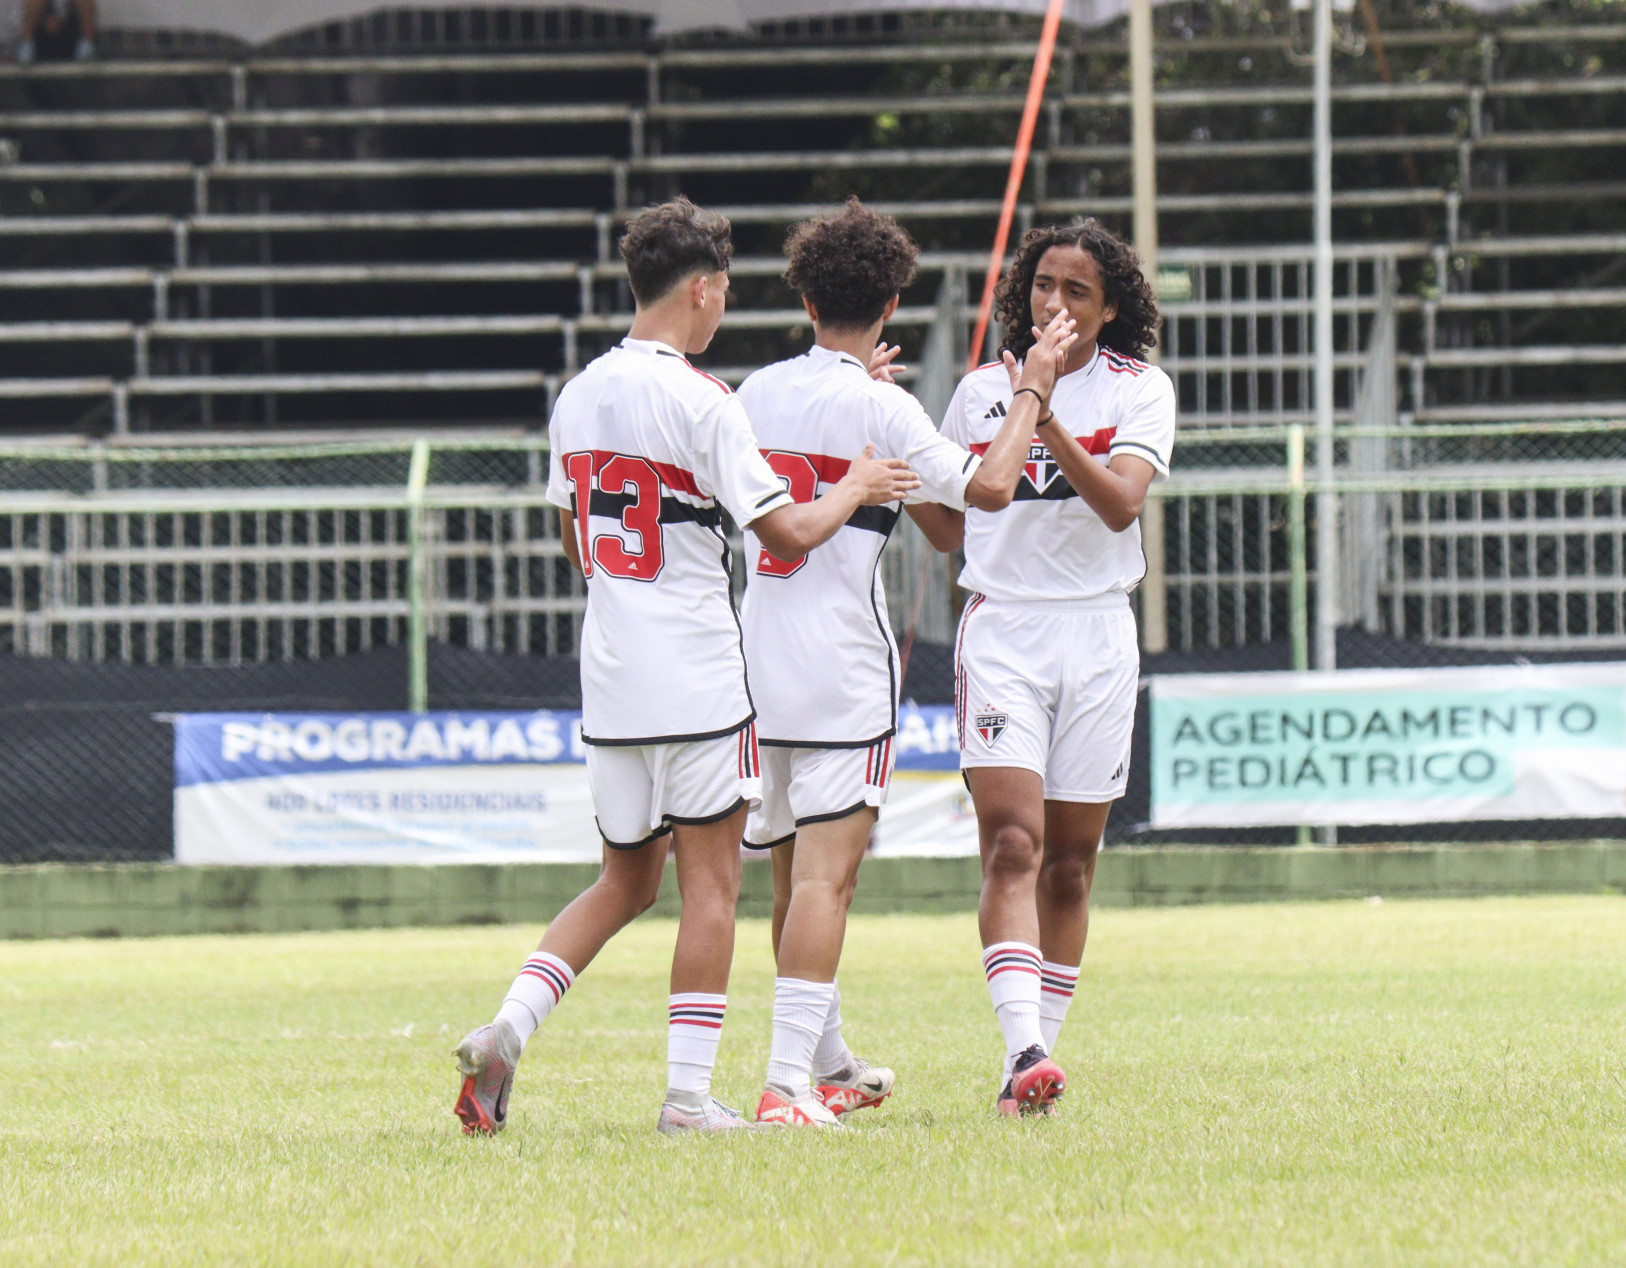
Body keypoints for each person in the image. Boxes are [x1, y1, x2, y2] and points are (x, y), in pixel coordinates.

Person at [451, 197, 920, 1137]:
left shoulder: (578, 392)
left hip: (612, 672)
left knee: (623, 880)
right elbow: (785, 528)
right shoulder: (701, 399)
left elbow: (574, 537)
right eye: (723, 294)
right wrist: (858, 485)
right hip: (701, 673)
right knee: (711, 887)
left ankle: (510, 1024)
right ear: (702, 289)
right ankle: (686, 1099)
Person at [736, 199, 1076, 1129]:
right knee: (823, 881)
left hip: (753, 668)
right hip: (842, 672)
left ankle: (824, 1061)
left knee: (783, 877)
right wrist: (1032, 391)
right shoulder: (881, 406)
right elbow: (989, 490)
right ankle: (784, 1086)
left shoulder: (754, 391)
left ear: (804, 296)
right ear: (892, 300)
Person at [911, 219, 1175, 1117]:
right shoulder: (983, 390)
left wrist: (1048, 408)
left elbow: (1118, 507)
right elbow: (952, 526)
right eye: (1041, 286)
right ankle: (1021, 1044)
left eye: (1076, 292)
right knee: (1013, 842)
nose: (1053, 305)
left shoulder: (1142, 390)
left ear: (1109, 310)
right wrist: (904, 468)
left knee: (1069, 863)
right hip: (1002, 631)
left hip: (1097, 633)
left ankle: (1033, 1067)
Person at [16, 0, 94, 62]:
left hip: (71, 33)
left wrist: (62, 20)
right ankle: (27, 46)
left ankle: (87, 46)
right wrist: (45, 20)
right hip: (43, 33)